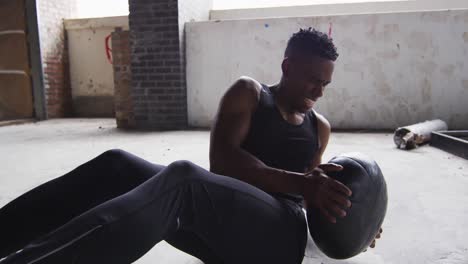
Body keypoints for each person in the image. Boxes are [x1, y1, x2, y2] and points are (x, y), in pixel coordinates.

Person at [0, 28, 381, 264]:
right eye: (312, 80)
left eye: (325, 85)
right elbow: (224, 163)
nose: (318, 91)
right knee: (116, 165)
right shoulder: (250, 95)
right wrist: (302, 182)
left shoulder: (320, 128)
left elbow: (315, 195)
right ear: (287, 67)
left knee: (183, 181)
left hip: (281, 241)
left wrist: (359, 222)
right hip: (222, 227)